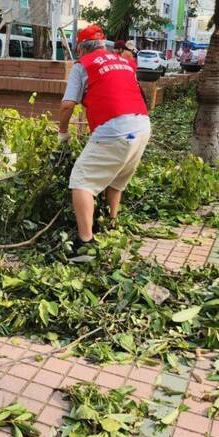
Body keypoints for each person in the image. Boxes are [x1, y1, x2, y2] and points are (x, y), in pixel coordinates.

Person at [58, 25, 151, 262]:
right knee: (116, 178)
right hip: (142, 126)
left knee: (81, 181)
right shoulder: (123, 61)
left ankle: (85, 244)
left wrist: (62, 133)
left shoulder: (83, 66)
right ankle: (112, 223)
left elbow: (67, 105)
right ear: (103, 44)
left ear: (81, 48)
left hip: (115, 130)